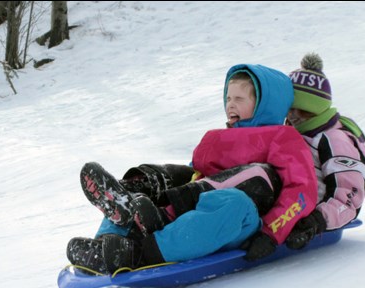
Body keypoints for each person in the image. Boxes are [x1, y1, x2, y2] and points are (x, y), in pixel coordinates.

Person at [67, 64, 318, 274]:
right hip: (192, 204)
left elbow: (302, 189)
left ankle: (138, 253)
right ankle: (107, 243)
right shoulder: (216, 137)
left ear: (265, 104)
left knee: (235, 197)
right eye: (228, 98)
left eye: (239, 99)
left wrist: (272, 232)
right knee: (145, 189)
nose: (231, 104)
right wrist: (159, 181)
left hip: (244, 218)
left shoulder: (282, 136)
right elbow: (194, 171)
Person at [284, 53, 365, 250]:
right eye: (288, 108)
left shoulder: (334, 139)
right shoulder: (291, 132)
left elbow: (348, 195)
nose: (292, 115)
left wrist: (316, 221)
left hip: (311, 216)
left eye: (300, 109)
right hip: (287, 206)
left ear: (315, 109)